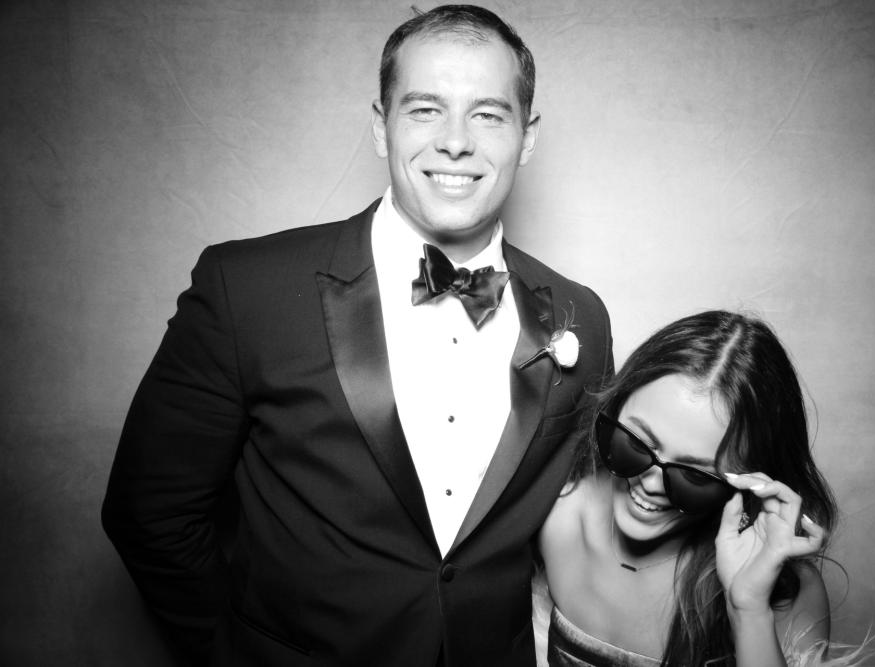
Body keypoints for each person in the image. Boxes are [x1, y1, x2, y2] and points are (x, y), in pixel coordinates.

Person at [101, 5, 613, 666]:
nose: (456, 142)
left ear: (527, 135)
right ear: (381, 125)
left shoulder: (581, 316)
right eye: (425, 109)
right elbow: (150, 513)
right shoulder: (247, 289)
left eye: (488, 114)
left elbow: (586, 523)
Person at [537, 310, 855, 667]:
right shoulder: (555, 513)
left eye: (694, 477)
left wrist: (748, 610)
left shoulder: (785, 590)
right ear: (614, 408)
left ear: (749, 483)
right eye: (635, 444)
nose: (652, 484)